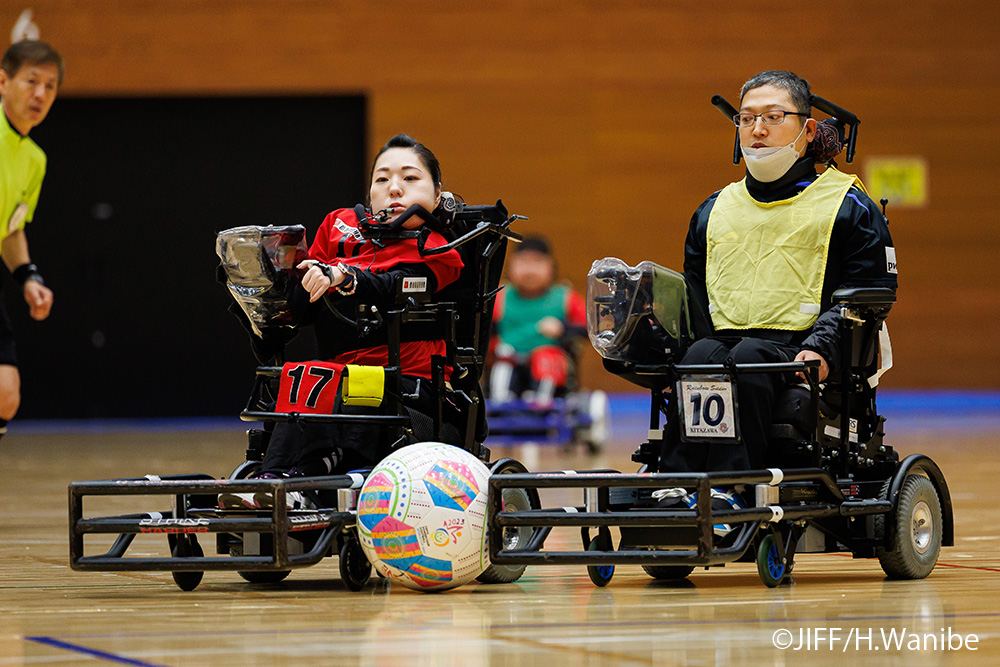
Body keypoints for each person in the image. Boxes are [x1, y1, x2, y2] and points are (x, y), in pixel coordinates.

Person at [660, 70, 897, 475]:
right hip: (726, 346)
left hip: (803, 352)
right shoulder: (713, 210)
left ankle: (735, 487)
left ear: (807, 130)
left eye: (772, 117)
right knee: (698, 358)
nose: (757, 129)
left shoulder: (850, 206)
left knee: (752, 359)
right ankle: (679, 482)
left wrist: (822, 349)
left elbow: (868, 293)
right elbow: (696, 296)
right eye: (747, 118)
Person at [221, 134, 464, 509]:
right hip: (338, 378)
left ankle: (296, 483)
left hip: (408, 383)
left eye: (410, 178)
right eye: (381, 179)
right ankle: (272, 481)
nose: (394, 187)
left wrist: (343, 277)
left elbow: (395, 284)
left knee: (315, 377)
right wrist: (260, 287)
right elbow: (303, 298)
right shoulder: (339, 225)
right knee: (302, 374)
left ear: (437, 193)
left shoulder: (439, 250)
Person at [0, 40, 61, 439]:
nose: (40, 94)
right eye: (31, 81)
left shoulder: (34, 158)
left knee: (5, 395)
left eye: (50, 86)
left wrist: (28, 276)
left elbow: (11, 226)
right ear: (3, 82)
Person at [488, 236, 587, 404]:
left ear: (551, 266)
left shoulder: (564, 297)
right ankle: (500, 407)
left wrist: (563, 328)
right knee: (501, 368)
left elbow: (589, 328)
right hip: (508, 358)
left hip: (548, 362)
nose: (530, 270)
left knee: (548, 360)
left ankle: (542, 407)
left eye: (537, 262)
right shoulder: (500, 297)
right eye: (523, 262)